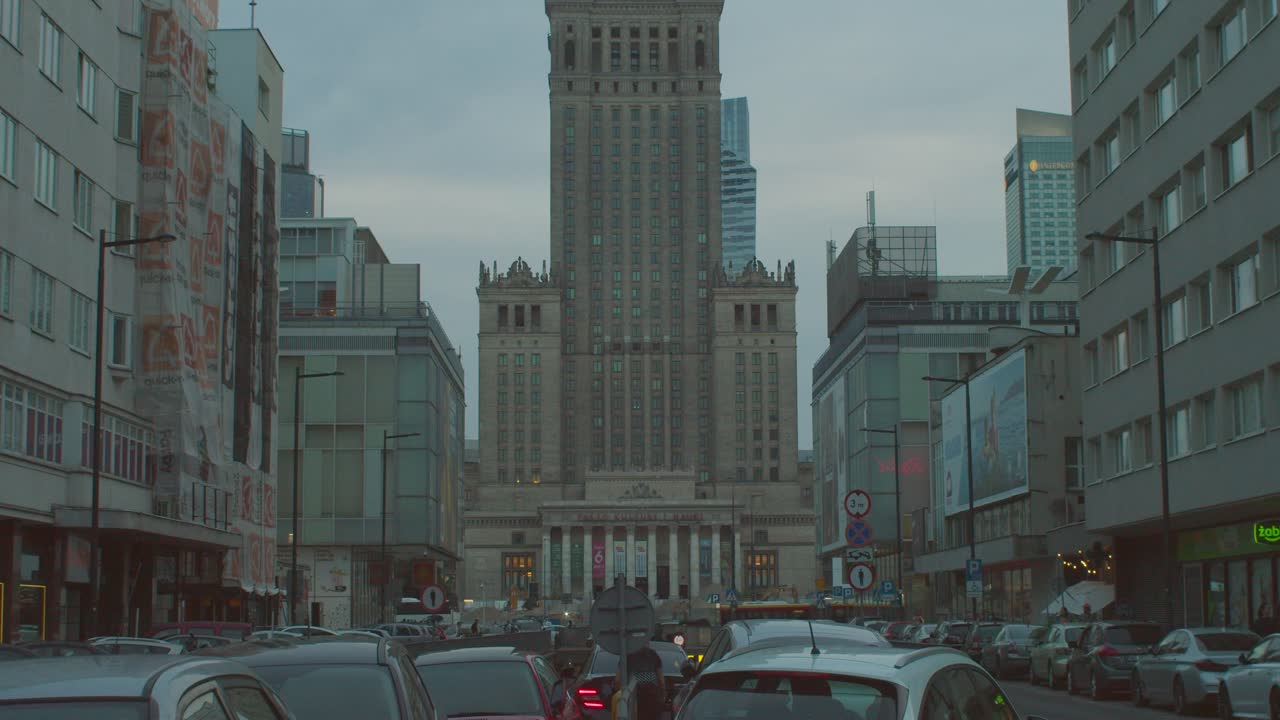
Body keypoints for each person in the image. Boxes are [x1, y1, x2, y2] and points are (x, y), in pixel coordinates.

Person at [611, 641, 666, 720]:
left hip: (633, 699)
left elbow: (617, 680)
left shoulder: (627, 656)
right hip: (652, 698)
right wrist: (662, 694)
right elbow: (661, 680)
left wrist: (621, 696)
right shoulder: (654, 655)